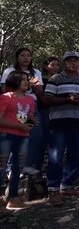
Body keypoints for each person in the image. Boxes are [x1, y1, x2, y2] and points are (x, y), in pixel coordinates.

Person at [44, 51, 79, 205]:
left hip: (78, 123)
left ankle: (67, 185)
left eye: (75, 61)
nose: (73, 63)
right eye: (69, 61)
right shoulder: (56, 79)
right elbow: (47, 99)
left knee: (76, 156)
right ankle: (53, 189)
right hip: (58, 123)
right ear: (65, 63)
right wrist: (67, 99)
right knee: (56, 157)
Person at [1, 48, 44, 175]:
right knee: (15, 134)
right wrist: (28, 84)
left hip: (31, 106)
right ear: (17, 57)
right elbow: (5, 89)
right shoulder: (9, 71)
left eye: (28, 56)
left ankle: (24, 165)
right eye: (22, 55)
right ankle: (10, 168)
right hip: (14, 106)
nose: (25, 58)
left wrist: (35, 86)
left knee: (35, 134)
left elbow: (40, 92)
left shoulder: (36, 72)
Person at [0, 71, 36, 210]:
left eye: (27, 80)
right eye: (22, 80)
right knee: (1, 166)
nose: (26, 82)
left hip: (23, 137)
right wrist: (18, 125)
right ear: (14, 82)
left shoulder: (30, 100)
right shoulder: (5, 98)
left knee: (18, 167)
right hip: (5, 136)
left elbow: (29, 117)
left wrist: (29, 125)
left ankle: (13, 198)